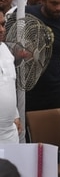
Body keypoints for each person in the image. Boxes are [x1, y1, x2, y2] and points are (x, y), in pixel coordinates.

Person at [0, 9, 19, 144]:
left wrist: (16, 114)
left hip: (9, 133)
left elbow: (9, 86)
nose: (2, 30)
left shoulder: (5, 50)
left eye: (2, 24)